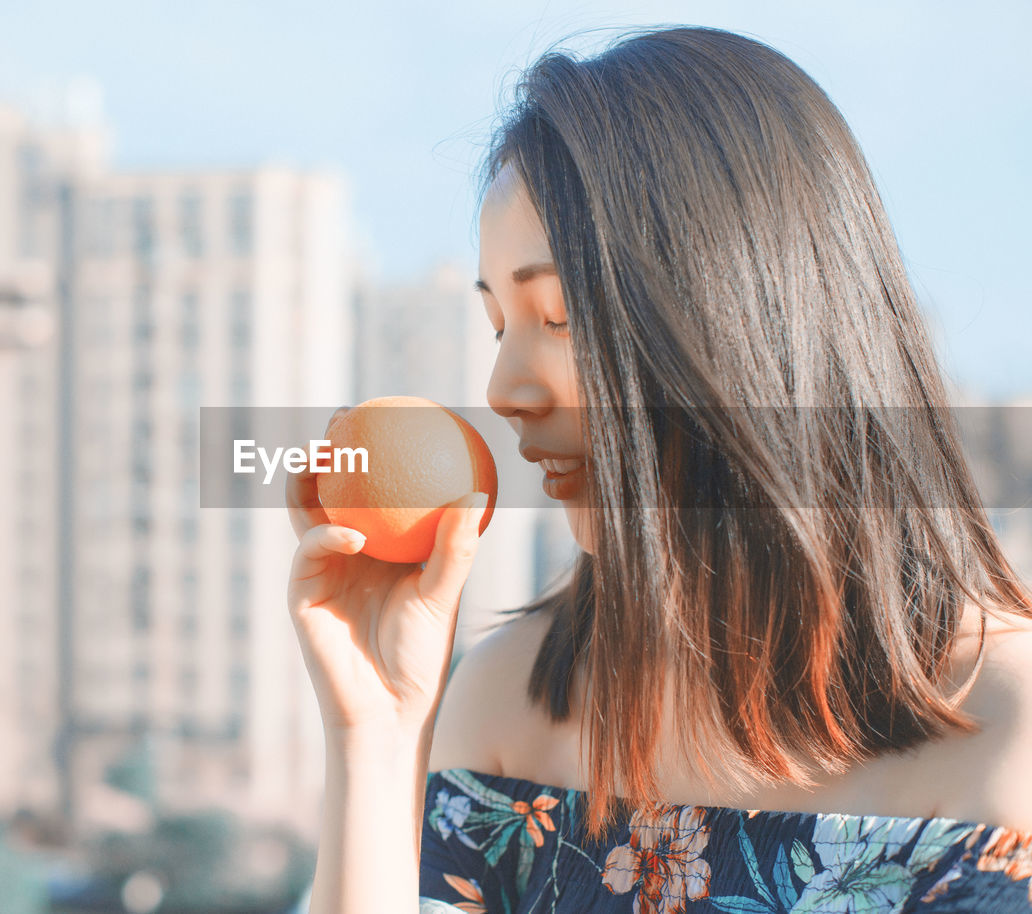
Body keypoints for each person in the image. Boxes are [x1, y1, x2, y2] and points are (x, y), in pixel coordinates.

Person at [285, 24, 1032, 914]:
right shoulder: (507, 707)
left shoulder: (1004, 738)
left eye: (559, 317)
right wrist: (375, 736)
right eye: (498, 325)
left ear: (741, 321)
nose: (503, 387)